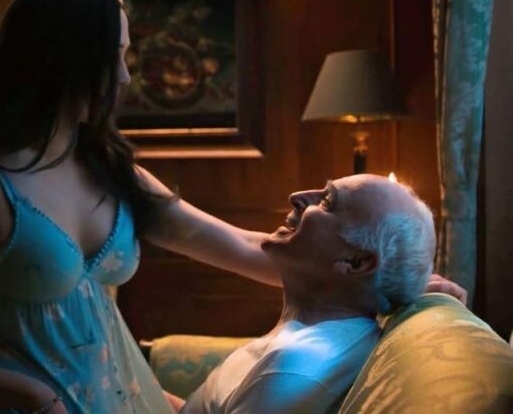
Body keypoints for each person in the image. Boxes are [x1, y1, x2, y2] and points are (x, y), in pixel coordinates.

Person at [0, 0, 466, 414]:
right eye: (116, 57)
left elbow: (246, 246)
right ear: (64, 59)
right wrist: (32, 397)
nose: (126, 76)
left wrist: (399, 280)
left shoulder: (112, 171)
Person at [180, 174, 437, 414]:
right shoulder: (310, 346)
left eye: (327, 201)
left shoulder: (292, 371)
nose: (296, 196)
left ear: (355, 262)